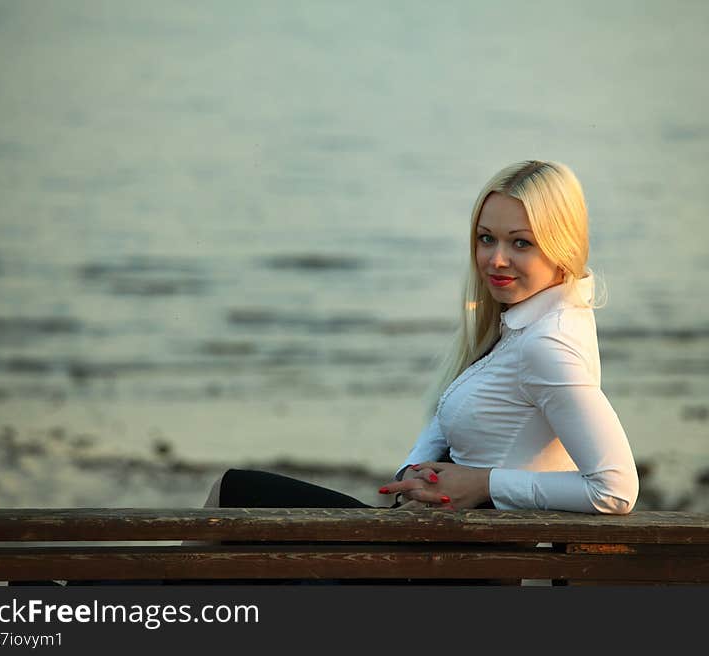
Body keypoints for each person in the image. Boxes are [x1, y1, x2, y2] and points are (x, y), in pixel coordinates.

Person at [202, 159, 639, 516]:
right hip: (431, 541)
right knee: (236, 499)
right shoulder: (529, 322)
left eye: (520, 243)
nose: (496, 259)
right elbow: (460, 418)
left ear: (560, 245)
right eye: (486, 239)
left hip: (451, 565)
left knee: (232, 490)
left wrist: (483, 483)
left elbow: (615, 488)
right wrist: (415, 466)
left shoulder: (548, 344)